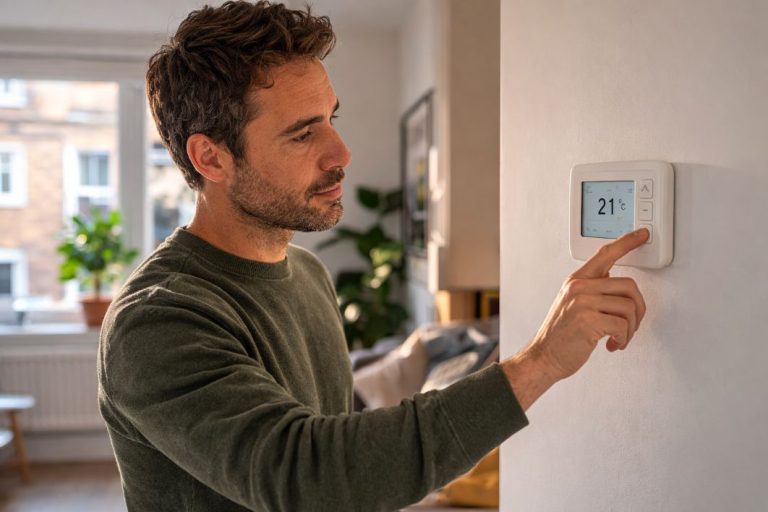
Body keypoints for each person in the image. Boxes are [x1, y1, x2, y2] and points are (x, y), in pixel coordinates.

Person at [97, 1, 649, 511]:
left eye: (331, 119)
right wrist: (542, 361)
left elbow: (343, 443)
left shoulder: (307, 273)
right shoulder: (156, 321)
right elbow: (310, 477)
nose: (341, 153)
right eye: (301, 134)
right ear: (210, 158)